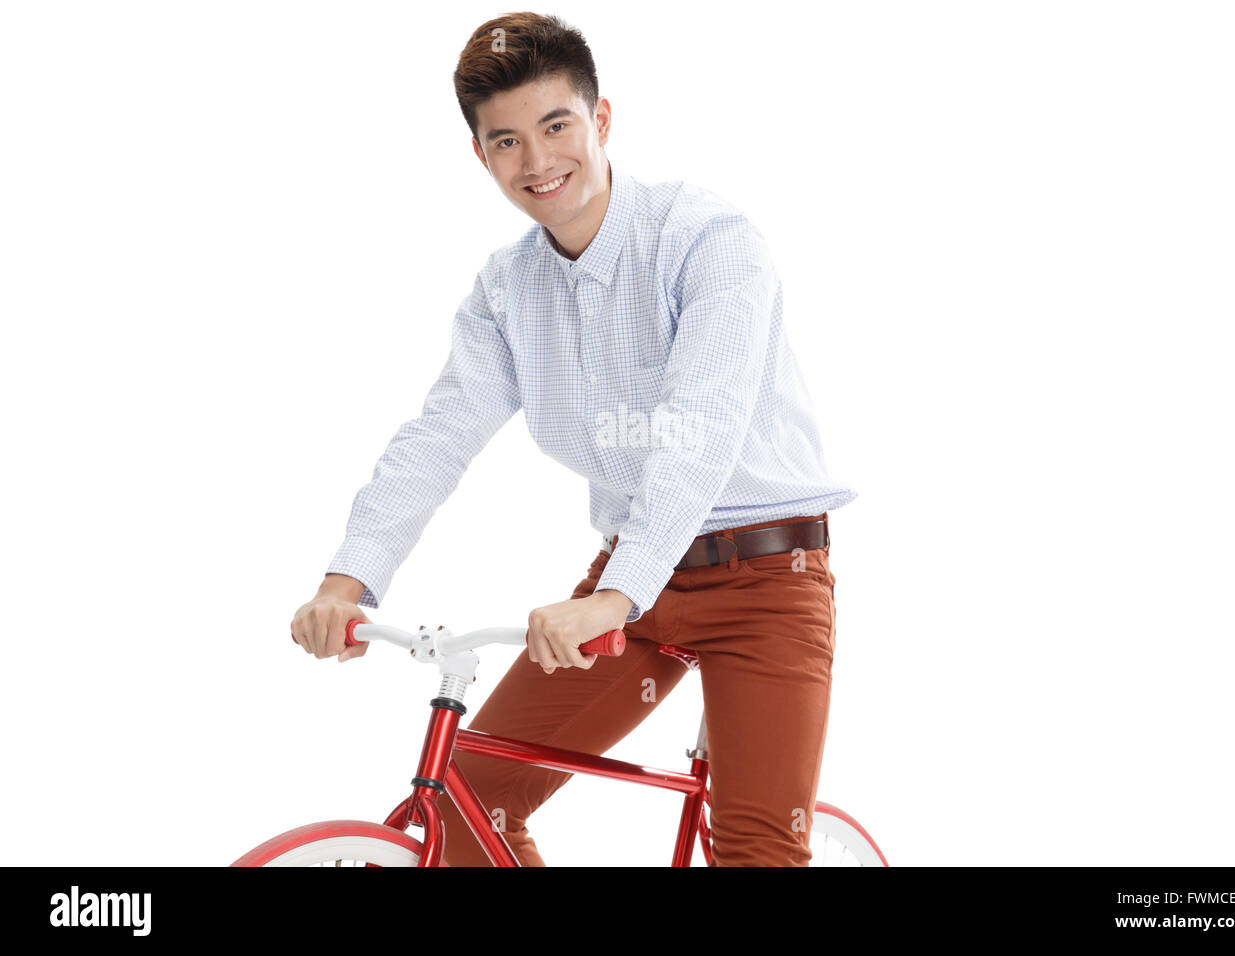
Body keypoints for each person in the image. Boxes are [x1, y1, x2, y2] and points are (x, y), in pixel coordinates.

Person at [289, 12, 856, 866]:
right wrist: (347, 583)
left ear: (601, 120)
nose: (537, 160)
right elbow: (437, 436)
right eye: (507, 141)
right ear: (481, 156)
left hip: (767, 579)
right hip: (637, 583)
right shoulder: (507, 290)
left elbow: (696, 436)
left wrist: (614, 596)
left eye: (556, 126)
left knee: (753, 850)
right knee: (466, 803)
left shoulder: (708, 241)